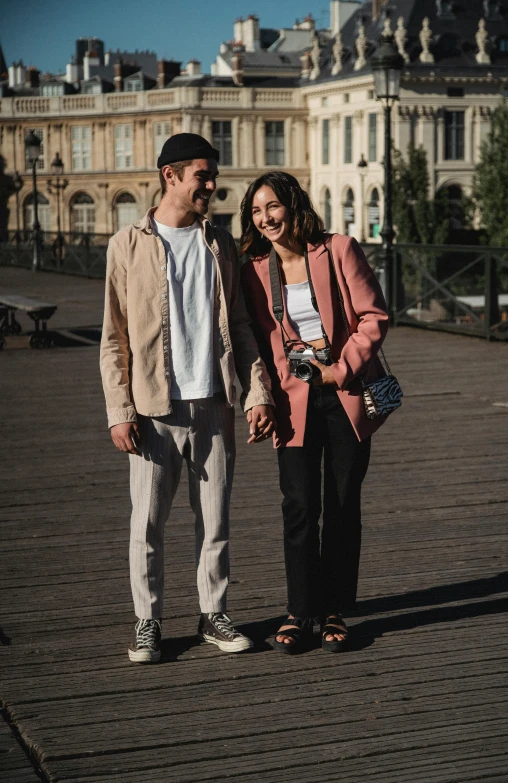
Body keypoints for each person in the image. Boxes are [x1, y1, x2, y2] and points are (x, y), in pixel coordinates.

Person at [100, 133, 275, 664]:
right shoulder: (126, 245)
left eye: (212, 174)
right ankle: (148, 621)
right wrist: (118, 411)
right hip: (154, 409)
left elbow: (241, 326)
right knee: (147, 524)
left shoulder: (220, 243)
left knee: (215, 520)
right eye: (203, 174)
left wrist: (257, 393)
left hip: (214, 403)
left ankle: (213, 613)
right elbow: (114, 338)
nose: (212, 185)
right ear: (170, 176)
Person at [240, 171, 389, 653]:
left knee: (343, 504)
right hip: (293, 401)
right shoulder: (256, 269)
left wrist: (339, 369)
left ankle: (334, 610)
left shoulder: (338, 249)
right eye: (257, 212)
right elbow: (260, 345)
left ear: (293, 205)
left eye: (273, 208)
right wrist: (259, 398)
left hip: (345, 393)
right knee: (300, 506)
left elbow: (374, 316)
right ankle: (299, 610)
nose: (265, 219)